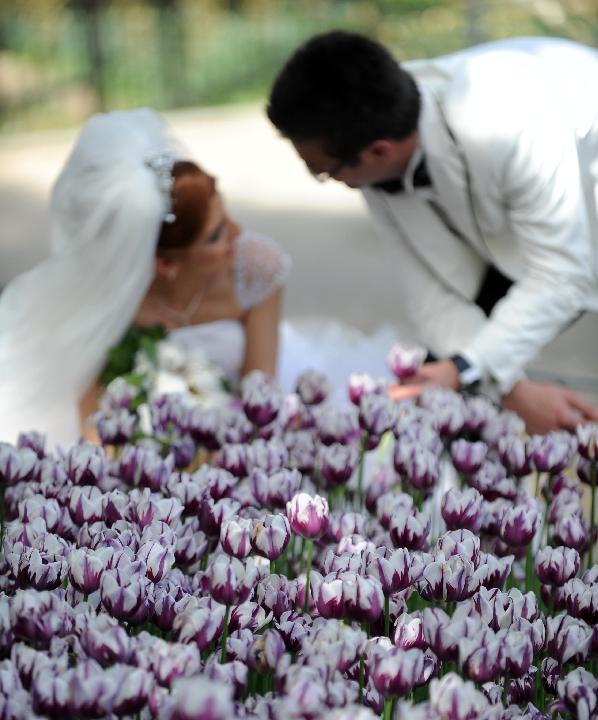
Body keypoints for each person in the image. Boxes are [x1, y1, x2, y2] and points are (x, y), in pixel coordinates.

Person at [267, 31, 598, 434]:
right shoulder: (373, 134)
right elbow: (430, 293)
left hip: (583, 207)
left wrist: (471, 369)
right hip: (511, 236)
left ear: (378, 151)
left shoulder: (506, 118)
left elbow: (562, 275)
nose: (330, 181)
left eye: (325, 172)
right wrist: (507, 388)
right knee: (450, 391)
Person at [0, 108, 288, 447]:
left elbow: (260, 397)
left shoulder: (256, 267)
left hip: (232, 436)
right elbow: (95, 432)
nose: (238, 235)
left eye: (228, 215)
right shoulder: (109, 298)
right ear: (166, 264)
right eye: (216, 235)